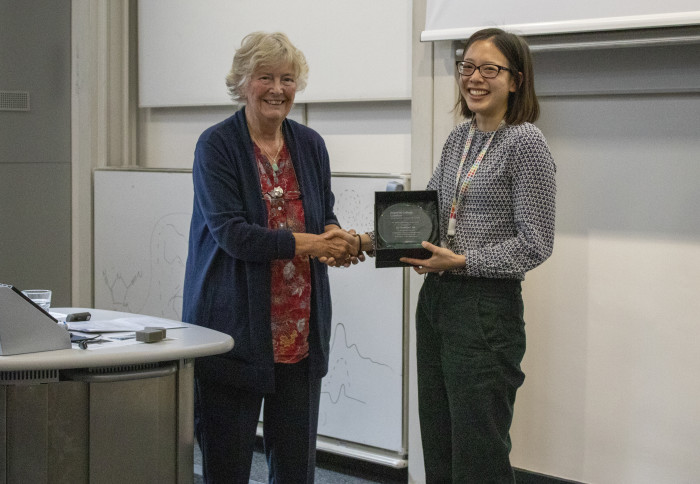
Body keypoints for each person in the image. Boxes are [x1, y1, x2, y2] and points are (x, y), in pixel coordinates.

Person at [182, 31, 359, 483]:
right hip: (232, 334)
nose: (278, 89)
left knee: (296, 471)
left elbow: (322, 213)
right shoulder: (216, 145)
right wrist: (314, 244)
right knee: (227, 468)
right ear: (242, 82)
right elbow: (234, 235)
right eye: (265, 77)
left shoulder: (311, 144)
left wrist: (335, 237)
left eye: (287, 79)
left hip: (299, 336)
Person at [401, 28, 556, 482]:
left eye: (489, 69)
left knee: (478, 453)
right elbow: (424, 216)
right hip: (436, 301)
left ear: (516, 80)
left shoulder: (526, 143)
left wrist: (464, 261)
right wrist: (363, 241)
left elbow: (536, 242)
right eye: (467, 66)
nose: (474, 78)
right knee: (439, 441)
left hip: (485, 310)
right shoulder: (458, 138)